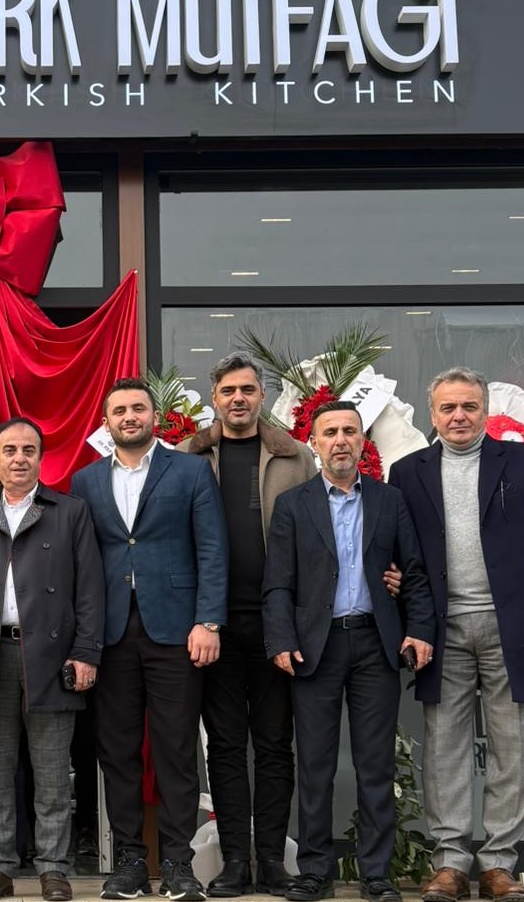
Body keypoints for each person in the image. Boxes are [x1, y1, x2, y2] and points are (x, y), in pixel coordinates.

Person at [390, 367, 524, 902]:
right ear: (433, 414)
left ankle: (498, 863)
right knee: (444, 746)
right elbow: (399, 550)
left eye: (469, 406)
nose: (459, 416)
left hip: (513, 626)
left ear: (485, 411)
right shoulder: (407, 472)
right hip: (440, 628)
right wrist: (400, 599)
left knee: (513, 747)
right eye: (448, 407)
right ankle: (449, 862)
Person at [262, 401, 435, 902]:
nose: (341, 440)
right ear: (314, 443)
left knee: (375, 765)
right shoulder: (293, 505)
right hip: (315, 648)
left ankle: (376, 874)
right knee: (315, 766)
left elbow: (414, 573)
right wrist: (282, 639)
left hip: (375, 644)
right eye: (331, 432)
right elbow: (278, 583)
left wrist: (418, 630)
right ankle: (315, 872)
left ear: (363, 441)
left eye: (350, 431)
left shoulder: (390, 500)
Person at [71, 377, 229, 902]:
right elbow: (80, 563)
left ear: (153, 416)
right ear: (107, 421)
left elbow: (212, 548)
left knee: (176, 749)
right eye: (119, 410)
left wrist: (208, 621)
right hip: (111, 632)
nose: (130, 417)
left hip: (177, 631)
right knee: (116, 751)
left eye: (138, 408)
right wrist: (82, 640)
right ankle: (130, 863)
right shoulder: (86, 481)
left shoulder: (190, 471)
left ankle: (180, 864)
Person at [0, 417, 105, 902]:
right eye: (10, 450)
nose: (19, 458)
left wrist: (85, 652)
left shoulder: (69, 511)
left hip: (50, 656)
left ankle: (53, 867)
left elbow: (90, 590)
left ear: (41, 457)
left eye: (28, 450)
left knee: (53, 773)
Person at [177, 353, 314, 897]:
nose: (239, 398)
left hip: (277, 625)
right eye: (229, 390)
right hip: (212, 626)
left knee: (276, 744)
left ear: (262, 396)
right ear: (214, 397)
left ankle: (273, 861)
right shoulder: (189, 456)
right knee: (226, 746)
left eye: (248, 390)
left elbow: (320, 535)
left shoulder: (295, 456)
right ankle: (235, 860)